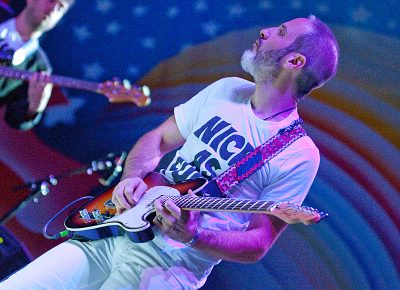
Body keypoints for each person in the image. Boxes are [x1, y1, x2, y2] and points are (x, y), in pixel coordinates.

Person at [0, 15, 339, 289]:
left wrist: (195, 235)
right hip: (117, 227)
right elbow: (158, 140)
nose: (264, 31)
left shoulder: (298, 154)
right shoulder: (227, 89)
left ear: (295, 61)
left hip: (169, 266)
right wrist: (131, 178)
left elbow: (258, 242)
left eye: (279, 32)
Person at [0, 0, 73, 130]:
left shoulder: (40, 68)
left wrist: (34, 109)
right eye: (51, 0)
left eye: (61, 7)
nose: (53, 9)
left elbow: (14, 119)